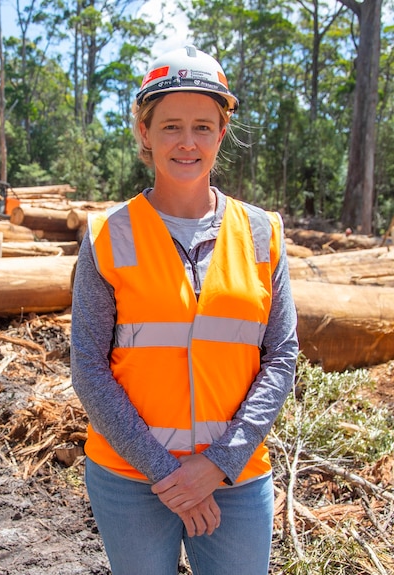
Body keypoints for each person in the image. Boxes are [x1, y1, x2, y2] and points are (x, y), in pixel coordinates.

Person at [70, 45, 299, 575]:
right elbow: (87, 365)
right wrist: (166, 473)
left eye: (203, 125)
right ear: (144, 133)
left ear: (222, 132)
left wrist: (215, 467)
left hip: (236, 480)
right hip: (129, 477)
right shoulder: (107, 235)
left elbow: (282, 356)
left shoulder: (262, 233)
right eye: (171, 126)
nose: (187, 142)